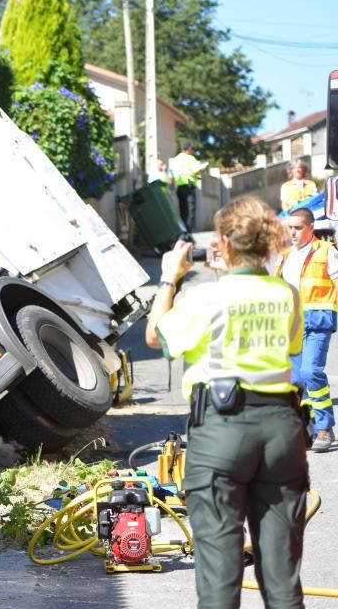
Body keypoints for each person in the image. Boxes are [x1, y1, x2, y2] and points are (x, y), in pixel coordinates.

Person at [145, 196, 308, 607]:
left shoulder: (206, 298)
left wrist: (168, 278)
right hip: (282, 430)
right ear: (269, 241)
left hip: (222, 430)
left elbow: (155, 336)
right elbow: (290, 343)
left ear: (224, 243)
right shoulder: (286, 294)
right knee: (282, 577)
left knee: (220, 575)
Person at [275, 206, 336, 452]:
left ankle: (324, 428)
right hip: (291, 326)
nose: (292, 233)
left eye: (298, 228)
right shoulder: (286, 256)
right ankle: (303, 430)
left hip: (317, 322)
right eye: (289, 228)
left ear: (311, 228)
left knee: (311, 372)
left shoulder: (326, 251)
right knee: (295, 380)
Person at [168, 142, 207, 235]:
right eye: (192, 149)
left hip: (180, 186)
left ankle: (183, 230)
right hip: (189, 186)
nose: (192, 151)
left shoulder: (175, 159)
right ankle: (189, 232)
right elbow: (196, 169)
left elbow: (171, 171)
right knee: (190, 210)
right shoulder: (190, 158)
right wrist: (203, 167)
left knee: (183, 210)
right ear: (189, 149)